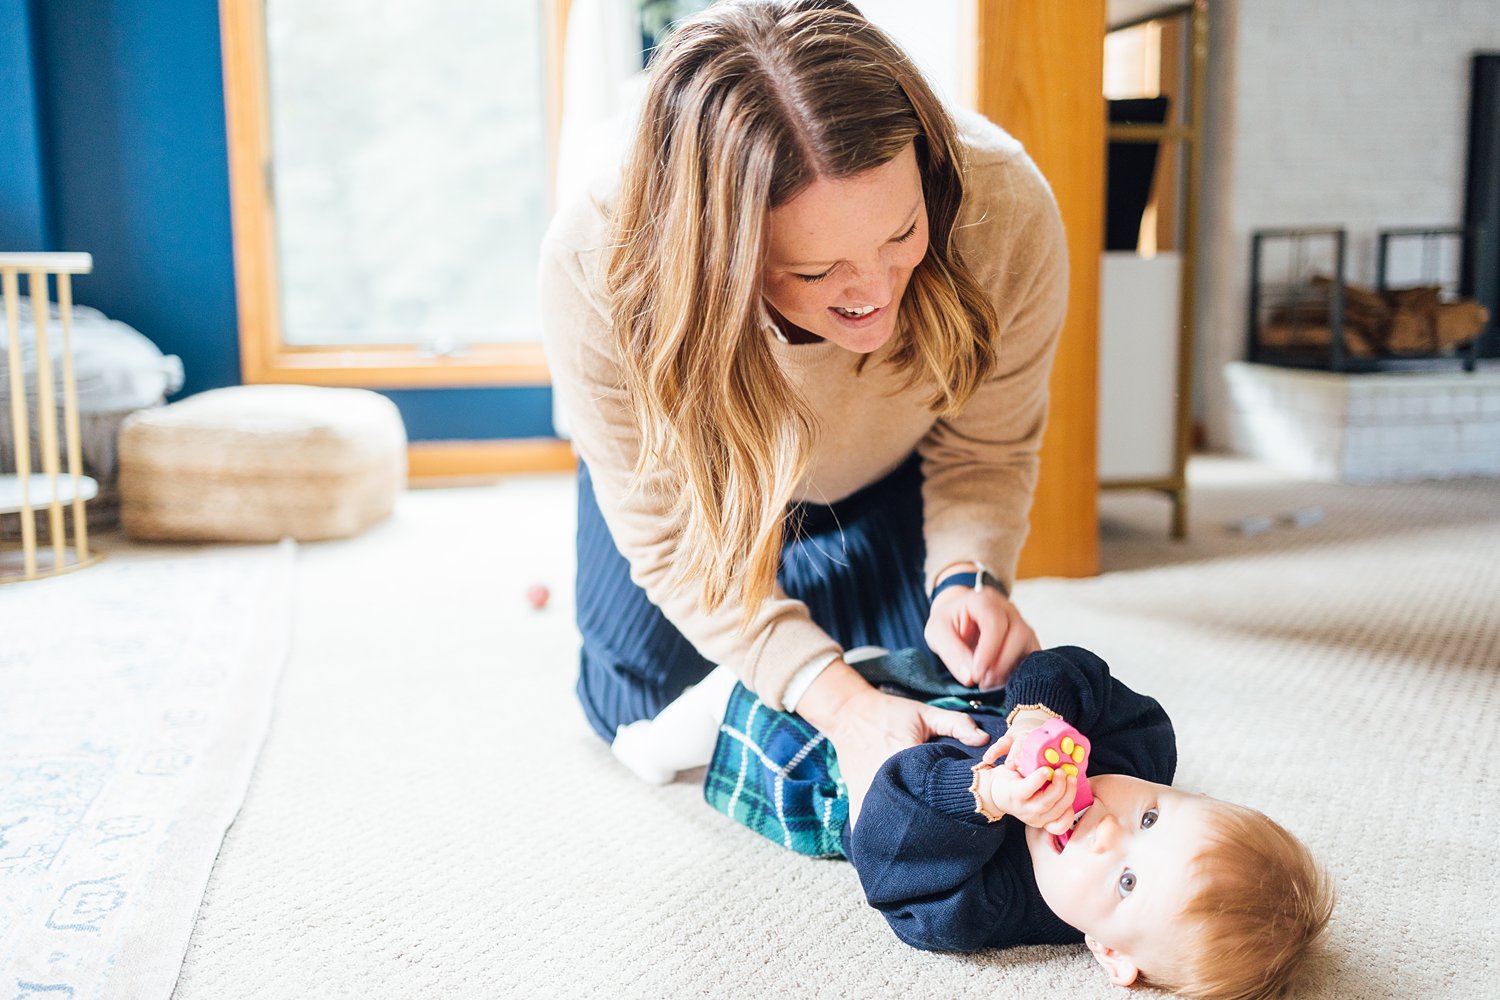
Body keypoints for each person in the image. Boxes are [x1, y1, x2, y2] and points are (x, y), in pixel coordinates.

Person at [540, 0, 1067, 809]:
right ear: (720, 255)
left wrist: (972, 575)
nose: (874, 293)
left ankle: (815, 587)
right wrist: (840, 700)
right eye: (818, 271)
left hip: (889, 471)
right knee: (646, 711)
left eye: (901, 236)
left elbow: (985, 450)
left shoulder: (1007, 204)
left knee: (938, 695)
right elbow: (672, 537)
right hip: (698, 488)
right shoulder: (597, 257)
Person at [611, 645, 1336, 1000]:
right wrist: (1038, 715)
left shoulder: (980, 911)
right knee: (855, 646)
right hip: (920, 685)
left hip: (837, 769)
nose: (1111, 826)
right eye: (1152, 815)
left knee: (721, 700)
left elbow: (888, 853)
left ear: (1112, 957)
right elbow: (1072, 666)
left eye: (1125, 879)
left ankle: (652, 742)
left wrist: (985, 794)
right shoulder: (1137, 748)